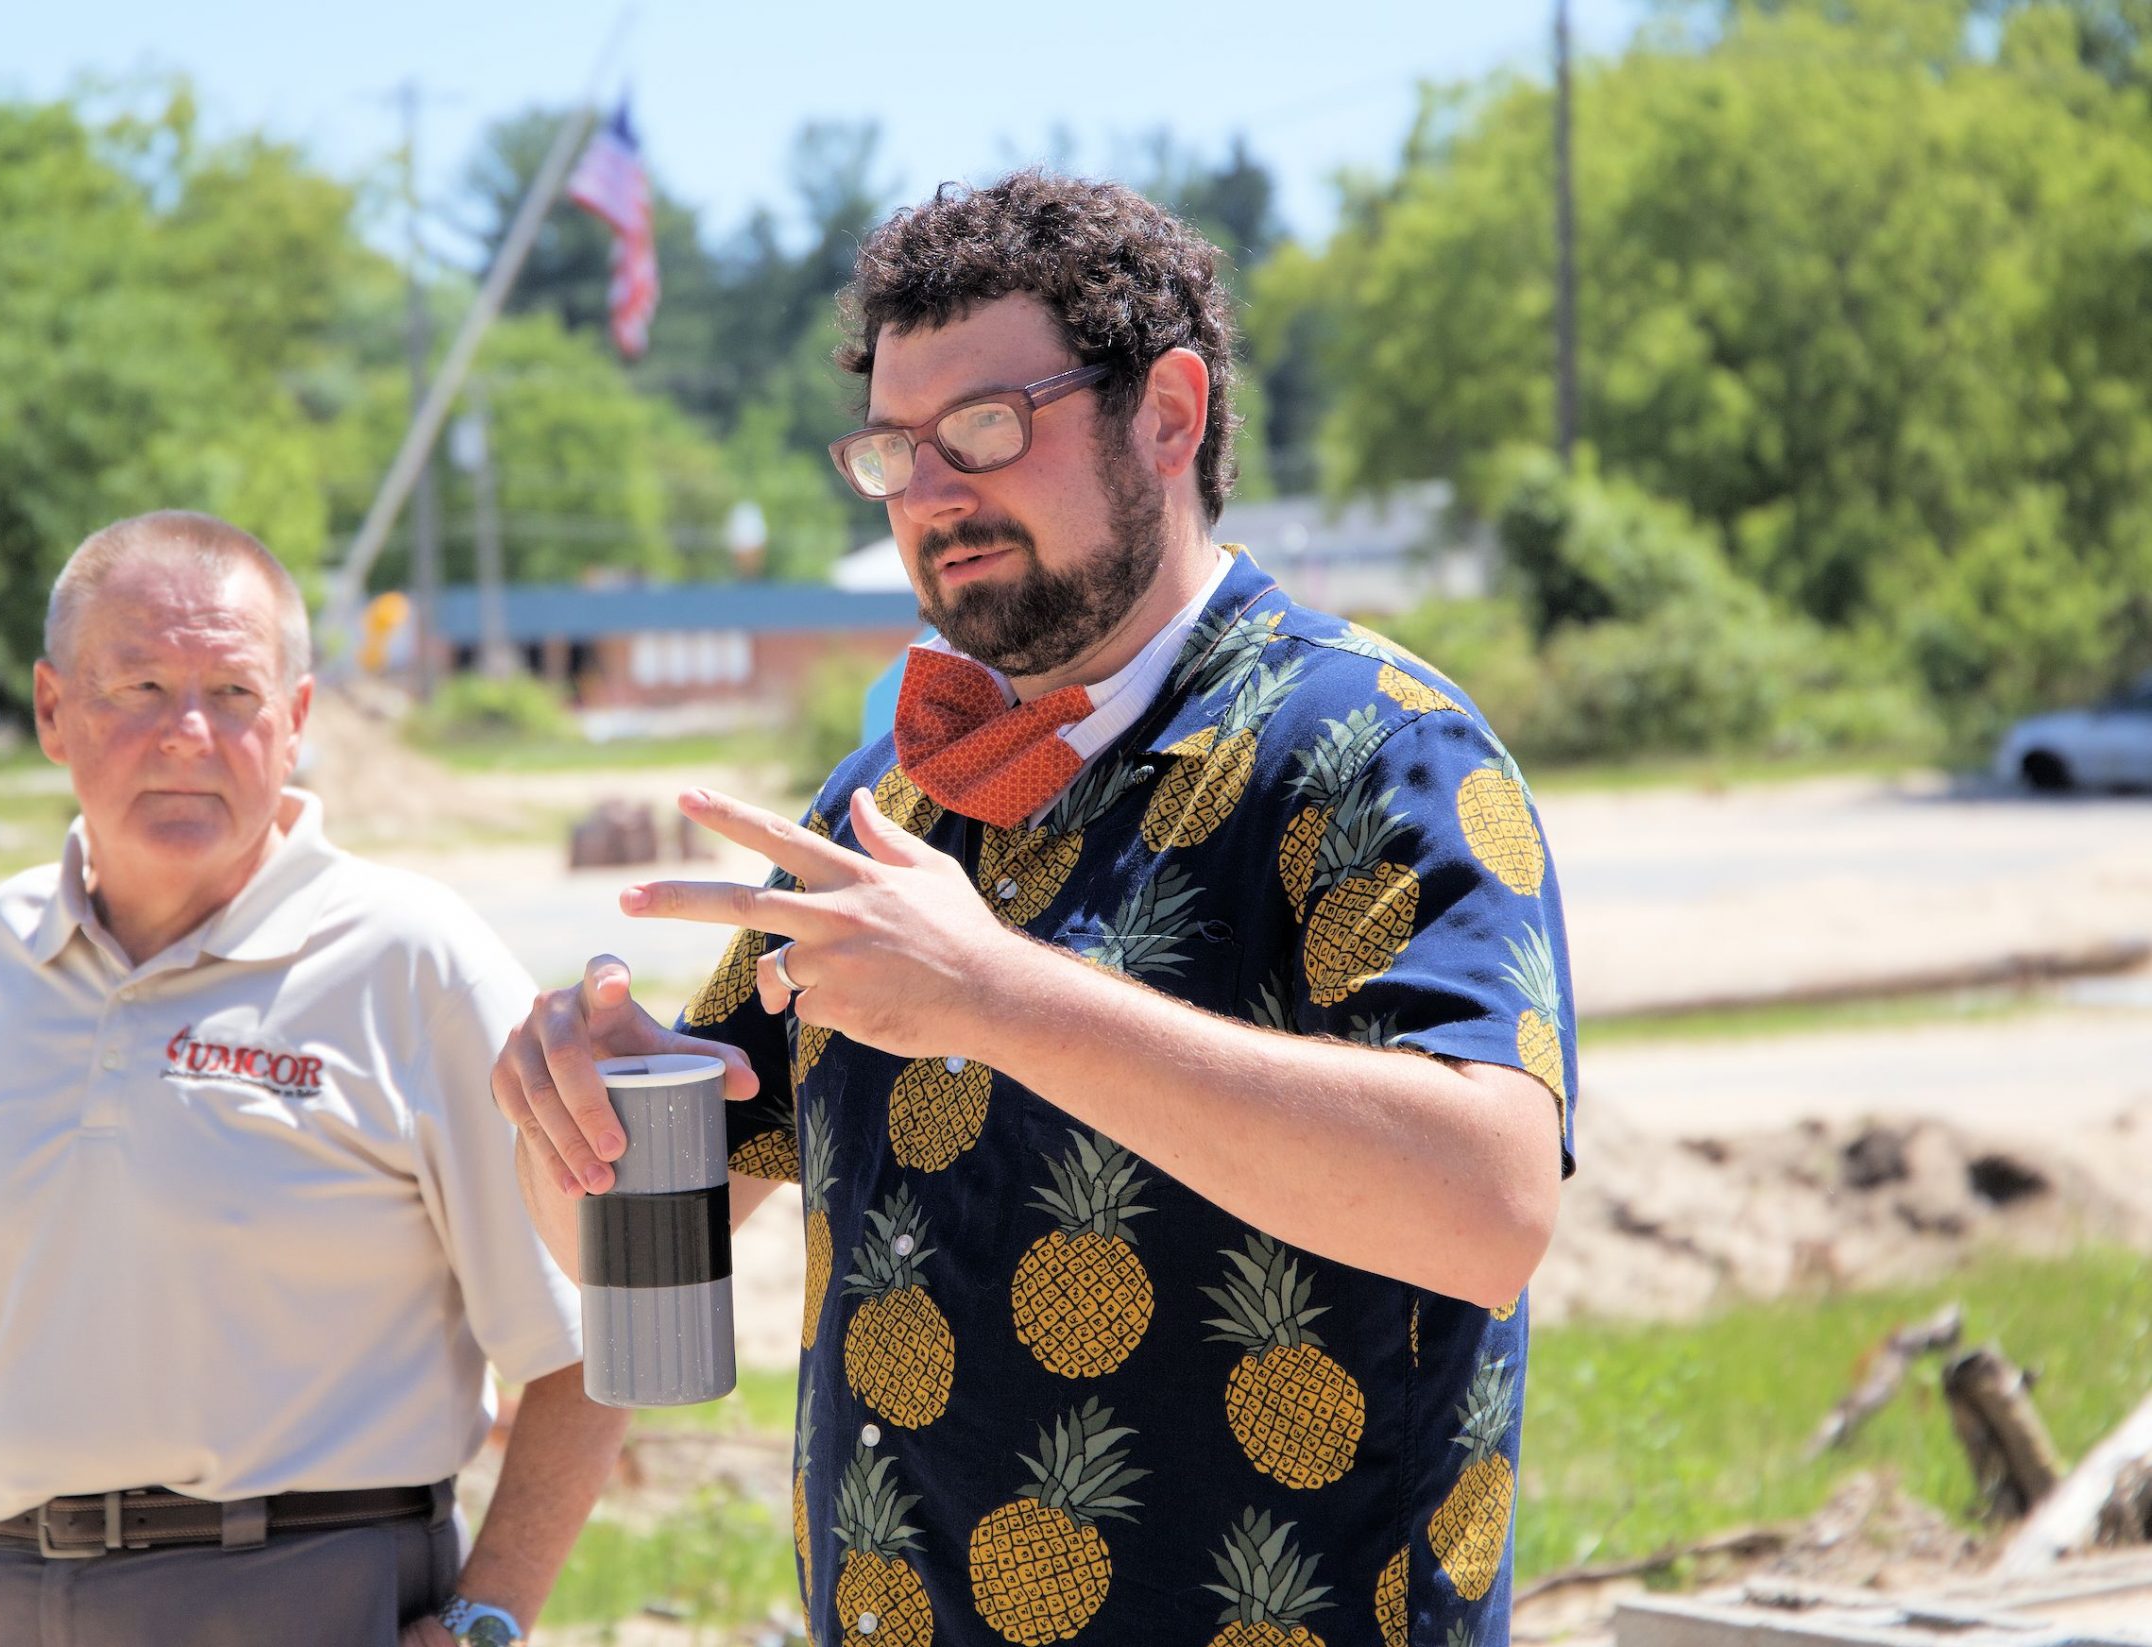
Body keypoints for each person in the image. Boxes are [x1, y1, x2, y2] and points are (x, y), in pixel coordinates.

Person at [495, 172, 1577, 1647]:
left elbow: (1492, 1207)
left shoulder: (1378, 746)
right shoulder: (890, 794)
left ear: (1170, 415)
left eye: (988, 429)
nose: (932, 491)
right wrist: (580, 1109)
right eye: (892, 448)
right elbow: (653, 1236)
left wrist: (997, 993)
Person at [0, 510, 627, 1647]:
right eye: (138, 688)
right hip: (1, 1599)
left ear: (297, 720)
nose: (187, 735)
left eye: (232, 693)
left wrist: (485, 1618)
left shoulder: (414, 960)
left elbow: (587, 1343)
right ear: (51, 712)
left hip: (306, 1594)